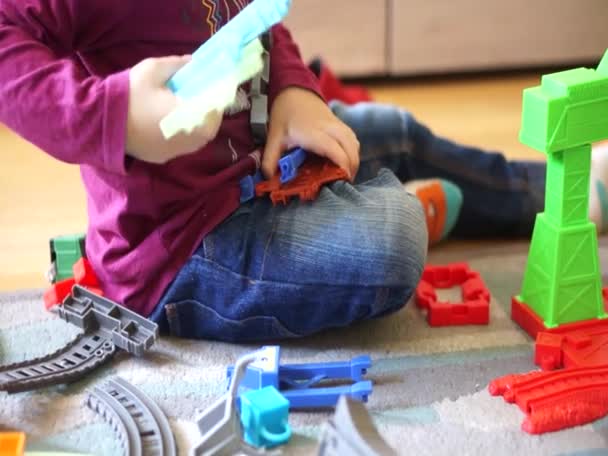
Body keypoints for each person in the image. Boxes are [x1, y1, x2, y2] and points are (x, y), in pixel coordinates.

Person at [1, 1, 606, 343]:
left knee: (389, 125)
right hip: (187, 247)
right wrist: (115, 114)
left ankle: (565, 193)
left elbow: (261, 21)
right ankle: (410, 207)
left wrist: (296, 92)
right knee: (394, 240)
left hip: (264, 159)